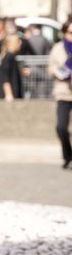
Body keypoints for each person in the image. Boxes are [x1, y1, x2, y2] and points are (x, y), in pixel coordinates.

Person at [48, 20, 72, 168]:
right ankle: (68, 154)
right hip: (63, 92)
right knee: (61, 127)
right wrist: (60, 74)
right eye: (71, 32)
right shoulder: (58, 48)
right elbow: (50, 68)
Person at [0, 35, 27, 100]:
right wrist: (9, 94)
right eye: (17, 41)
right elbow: (5, 77)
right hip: (6, 95)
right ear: (11, 43)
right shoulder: (8, 57)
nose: (20, 43)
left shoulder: (12, 56)